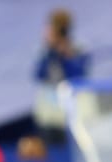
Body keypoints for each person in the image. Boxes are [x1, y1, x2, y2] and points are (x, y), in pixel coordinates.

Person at [32, 9, 87, 145]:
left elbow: (79, 75)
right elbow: (38, 74)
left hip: (72, 105)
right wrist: (51, 51)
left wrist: (66, 56)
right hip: (49, 107)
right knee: (49, 142)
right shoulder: (46, 51)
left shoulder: (77, 48)